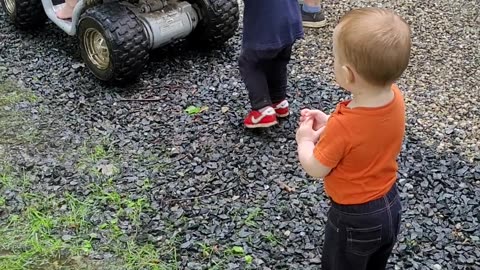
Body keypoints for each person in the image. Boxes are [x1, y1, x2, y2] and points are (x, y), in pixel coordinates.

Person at [295, 7, 411, 270]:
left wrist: (305, 140)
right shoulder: (395, 97)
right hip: (389, 206)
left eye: (334, 58)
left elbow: (316, 167)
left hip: (354, 218)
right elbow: (366, 134)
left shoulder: (345, 127)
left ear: (348, 75)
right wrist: (330, 122)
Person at [240, 0, 304, 128]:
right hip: (291, 20)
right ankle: (279, 102)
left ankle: (261, 109)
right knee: (278, 61)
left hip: (267, 24)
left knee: (250, 62)